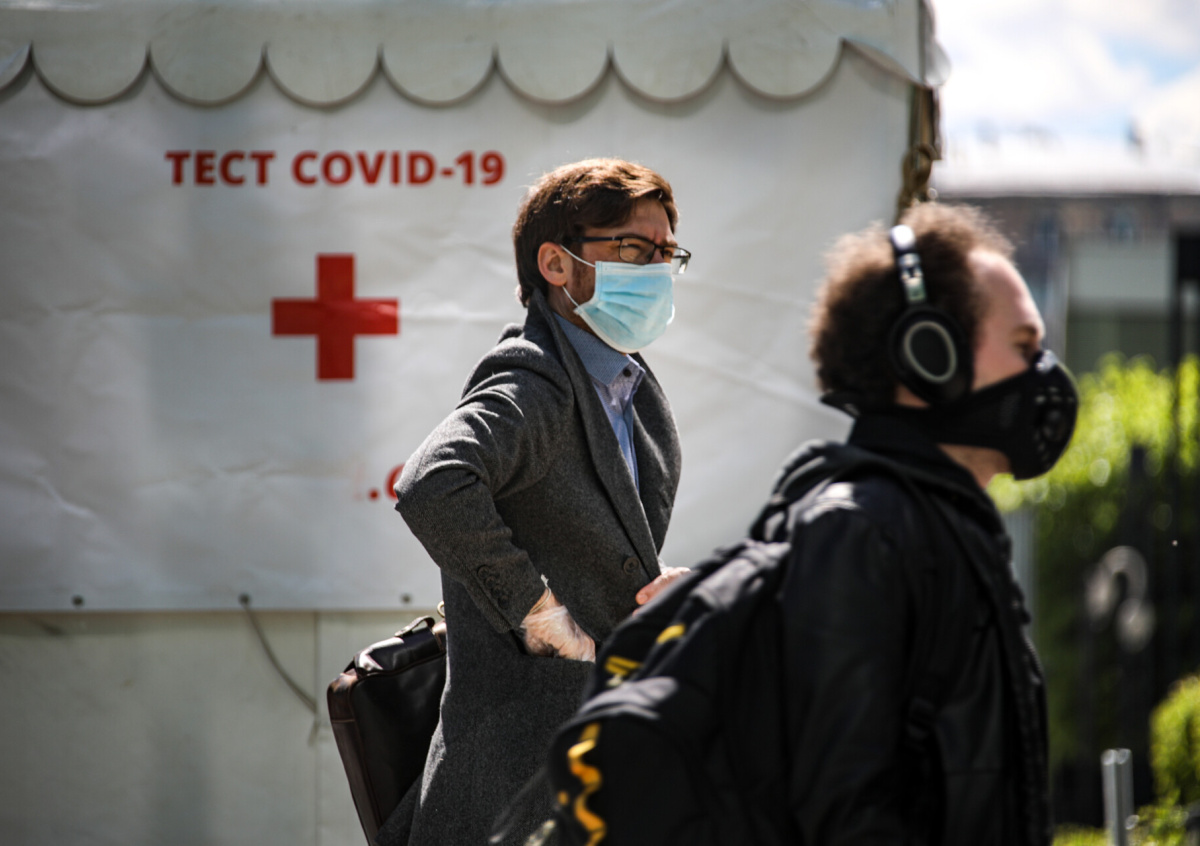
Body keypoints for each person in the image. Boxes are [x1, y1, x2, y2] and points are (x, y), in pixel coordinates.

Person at [377, 158, 691, 846]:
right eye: (634, 249)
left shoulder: (625, 386)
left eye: (667, 253)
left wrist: (650, 586)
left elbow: (594, 544)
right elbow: (432, 482)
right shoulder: (534, 381)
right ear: (556, 263)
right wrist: (537, 612)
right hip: (514, 783)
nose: (657, 271)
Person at [768, 202, 1075, 844]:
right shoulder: (859, 533)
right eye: (1024, 346)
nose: (1046, 373)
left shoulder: (938, 528)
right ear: (928, 355)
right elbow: (838, 813)